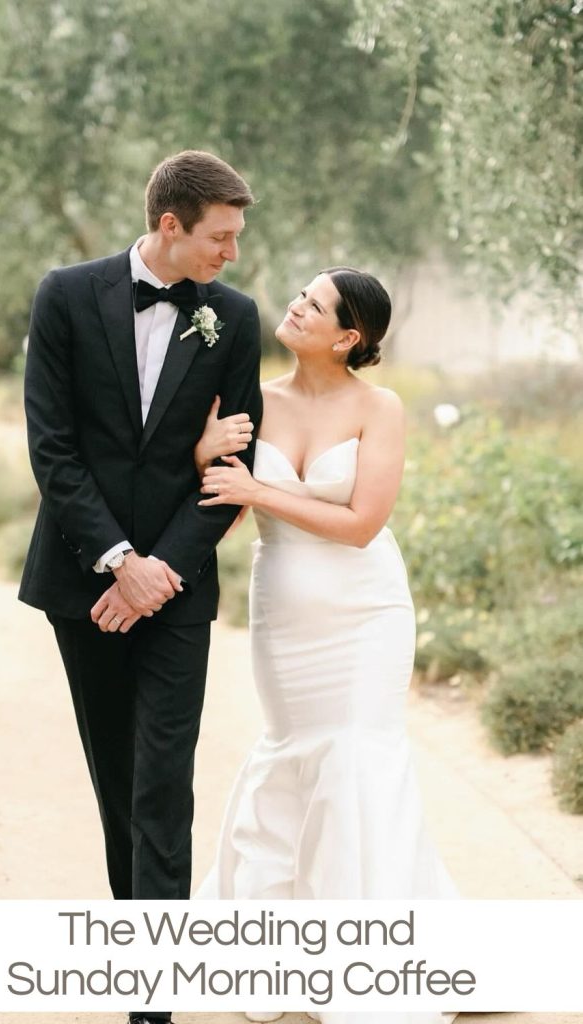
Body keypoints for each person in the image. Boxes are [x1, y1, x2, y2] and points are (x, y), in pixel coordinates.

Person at [194, 266, 458, 1024]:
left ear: (348, 336)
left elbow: (361, 522)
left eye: (313, 304)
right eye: (299, 296)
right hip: (285, 613)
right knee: (294, 751)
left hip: (368, 610)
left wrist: (260, 491)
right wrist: (201, 458)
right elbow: (224, 509)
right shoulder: (250, 397)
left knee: (356, 758)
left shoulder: (380, 408)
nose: (295, 306)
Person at [18, 151, 263, 957]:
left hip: (178, 584)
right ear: (169, 224)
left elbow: (235, 467)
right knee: (117, 777)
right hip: (83, 580)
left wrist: (159, 572)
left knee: (163, 778)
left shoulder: (233, 317)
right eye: (219, 238)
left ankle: (153, 984)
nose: (230, 254)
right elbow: (53, 451)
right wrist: (120, 560)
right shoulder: (64, 295)